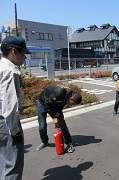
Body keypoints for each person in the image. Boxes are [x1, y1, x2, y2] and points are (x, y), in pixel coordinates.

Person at [0, 36, 30, 180]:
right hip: (6, 124)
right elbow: (9, 105)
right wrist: (15, 131)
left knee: (3, 164)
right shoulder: (10, 71)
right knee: (13, 166)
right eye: (23, 53)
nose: (25, 57)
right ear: (14, 51)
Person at [36, 84, 82, 153]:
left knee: (62, 124)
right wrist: (54, 117)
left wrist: (57, 117)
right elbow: (47, 104)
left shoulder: (67, 96)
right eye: (73, 103)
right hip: (43, 103)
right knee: (42, 125)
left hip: (54, 104)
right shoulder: (59, 93)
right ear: (71, 98)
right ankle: (44, 142)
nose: (72, 105)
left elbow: (60, 107)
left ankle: (69, 143)